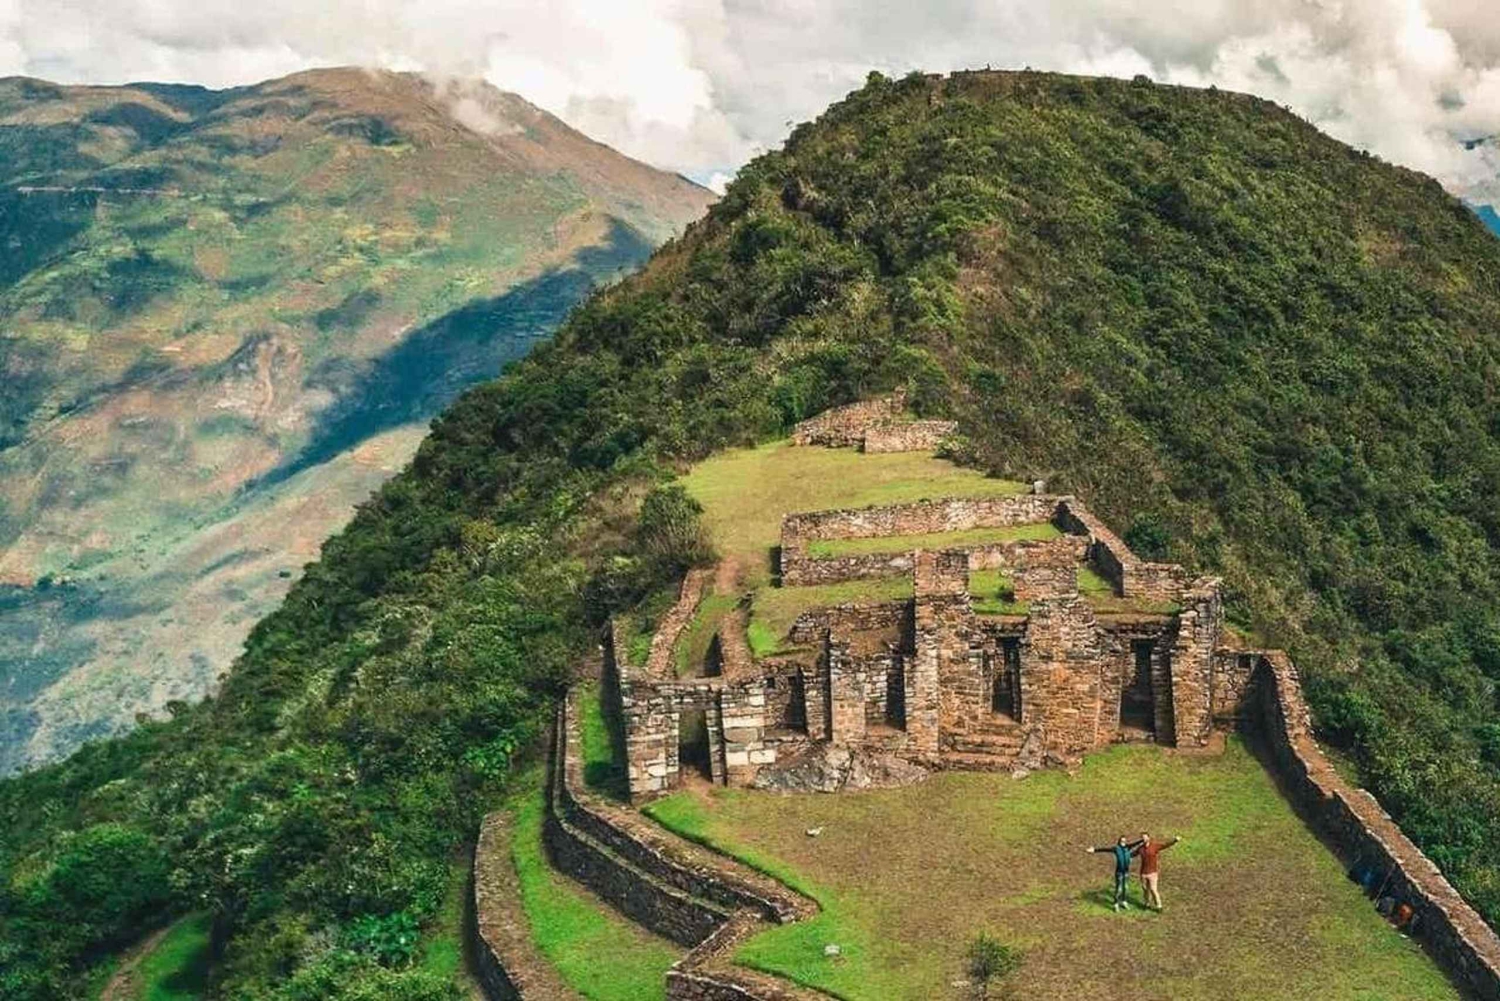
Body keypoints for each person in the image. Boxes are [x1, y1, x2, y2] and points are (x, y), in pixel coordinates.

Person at [1086, 835, 1144, 911]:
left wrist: (1142, 840)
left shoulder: (1128, 847)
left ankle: (1123, 901)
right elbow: (1105, 849)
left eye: (1124, 841)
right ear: (1119, 842)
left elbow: (1135, 844)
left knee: (1125, 888)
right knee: (1119, 889)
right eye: (1121, 841)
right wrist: (1094, 850)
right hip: (1119, 872)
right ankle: (1115, 903)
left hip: (1126, 872)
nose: (1123, 842)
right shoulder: (1116, 849)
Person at [1136, 832, 1181, 911]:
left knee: (1153, 889)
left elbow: (1165, 845)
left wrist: (1174, 841)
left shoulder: (1154, 846)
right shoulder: (1140, 849)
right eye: (1142, 838)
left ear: (1149, 838)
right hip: (1143, 873)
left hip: (1153, 873)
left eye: (1145, 837)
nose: (1144, 839)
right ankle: (1147, 904)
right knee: (1145, 890)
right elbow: (1132, 854)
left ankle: (1159, 906)